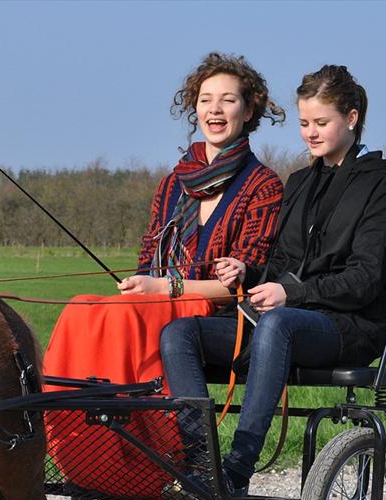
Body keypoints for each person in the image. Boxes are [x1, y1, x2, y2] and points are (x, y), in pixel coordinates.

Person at [159, 64, 386, 496]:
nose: (310, 133)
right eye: (304, 123)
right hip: (284, 318)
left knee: (278, 323)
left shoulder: (382, 186)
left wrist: (290, 293)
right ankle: (201, 463)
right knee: (180, 333)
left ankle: (237, 469)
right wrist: (247, 271)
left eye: (321, 122)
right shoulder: (299, 183)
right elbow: (281, 263)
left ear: (351, 118)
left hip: (348, 324)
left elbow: (367, 278)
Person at [44, 52, 285, 390]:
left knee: (124, 316)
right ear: (195, 109)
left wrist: (165, 287)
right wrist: (140, 284)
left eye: (228, 100)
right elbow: (148, 261)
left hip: (218, 314)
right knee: (80, 308)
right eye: (205, 100)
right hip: (158, 300)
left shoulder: (263, 185)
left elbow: (241, 287)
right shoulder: (172, 183)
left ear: (247, 112)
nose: (214, 109)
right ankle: (71, 420)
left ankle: (138, 418)